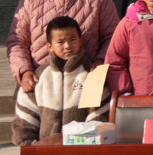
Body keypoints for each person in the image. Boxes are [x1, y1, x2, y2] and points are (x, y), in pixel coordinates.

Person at [11, 17, 108, 146]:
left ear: (80, 40)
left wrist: (87, 145)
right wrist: (29, 145)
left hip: (81, 151)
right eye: (60, 42)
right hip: (44, 152)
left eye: (72, 40)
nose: (67, 46)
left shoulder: (92, 75)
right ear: (50, 46)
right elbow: (26, 118)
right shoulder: (39, 77)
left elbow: (97, 116)